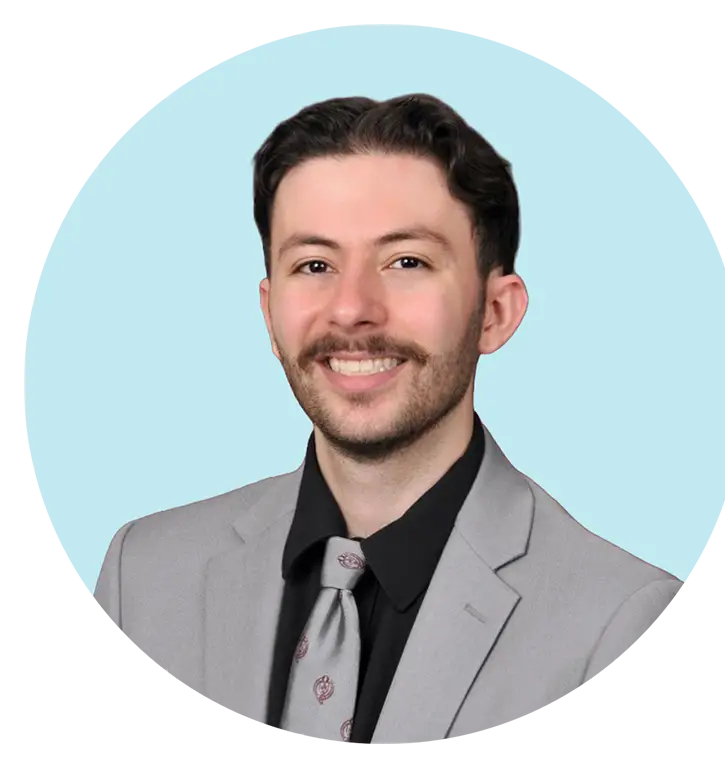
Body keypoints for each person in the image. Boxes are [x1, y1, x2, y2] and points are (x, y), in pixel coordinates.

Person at [93, 93, 683, 744]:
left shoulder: (625, 627)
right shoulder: (139, 578)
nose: (351, 309)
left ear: (495, 313)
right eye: (314, 265)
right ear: (270, 312)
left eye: (407, 262)